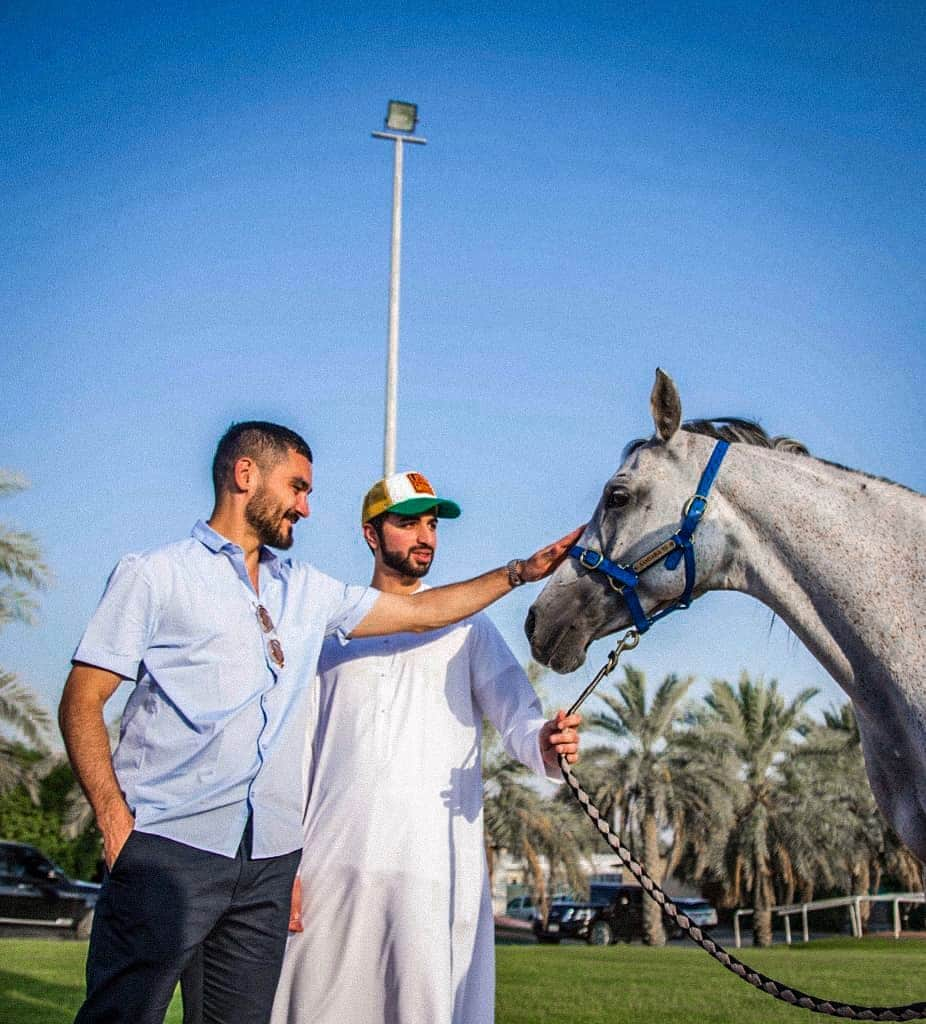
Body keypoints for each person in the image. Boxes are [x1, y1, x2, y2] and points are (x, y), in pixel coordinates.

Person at [58, 422, 580, 1024]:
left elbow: (428, 618)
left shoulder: (308, 595)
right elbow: (85, 701)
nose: (306, 506)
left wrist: (521, 574)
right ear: (245, 475)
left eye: (433, 523)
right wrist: (114, 816)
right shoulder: (168, 578)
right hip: (198, 853)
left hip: (312, 870)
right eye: (298, 487)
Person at [267, 470, 582, 1024]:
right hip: (330, 869)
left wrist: (546, 746)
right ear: (371, 534)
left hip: (432, 873)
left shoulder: (469, 628)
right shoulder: (327, 634)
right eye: (408, 522)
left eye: (432, 525)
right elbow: (292, 759)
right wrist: (284, 866)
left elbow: (518, 716)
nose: (425, 537)